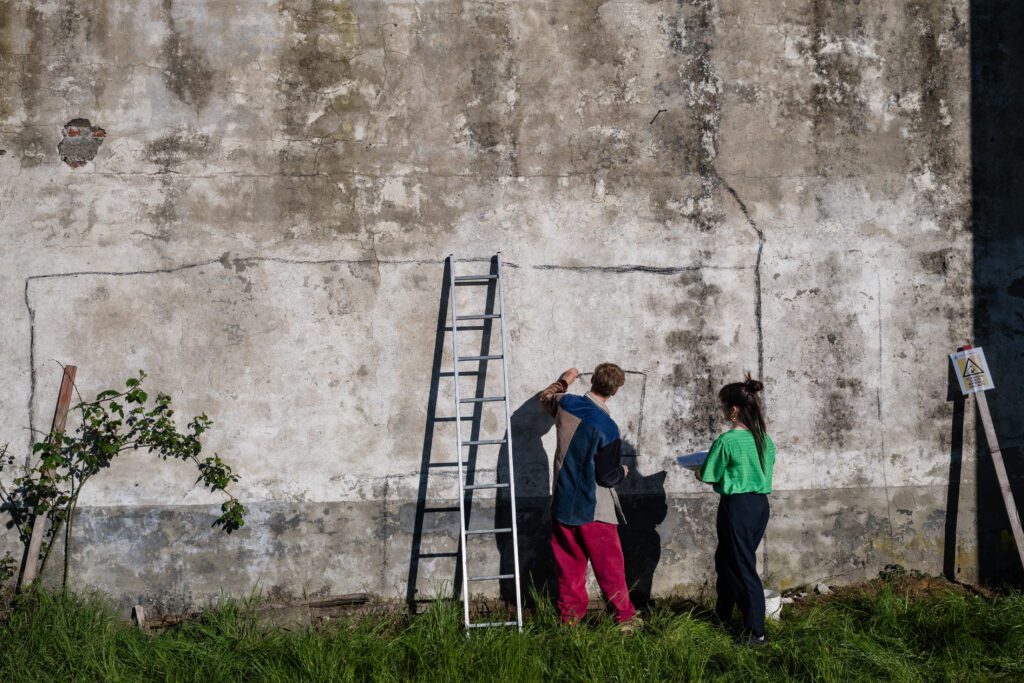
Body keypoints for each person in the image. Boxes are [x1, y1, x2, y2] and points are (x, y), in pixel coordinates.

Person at [539, 363, 638, 629]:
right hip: (595, 509)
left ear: (592, 380)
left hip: (562, 502)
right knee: (610, 568)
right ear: (615, 391)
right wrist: (624, 471)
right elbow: (607, 477)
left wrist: (564, 380)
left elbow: (544, 397)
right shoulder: (607, 427)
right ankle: (625, 620)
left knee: (569, 567)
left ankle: (569, 622)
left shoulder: (565, 403)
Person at [696, 374, 776, 645]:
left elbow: (709, 475)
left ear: (733, 409)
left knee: (742, 566)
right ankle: (723, 614)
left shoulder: (727, 441)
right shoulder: (765, 439)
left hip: (737, 506)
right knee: (728, 560)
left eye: (723, 406)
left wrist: (699, 471)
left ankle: (756, 631)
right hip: (759, 505)